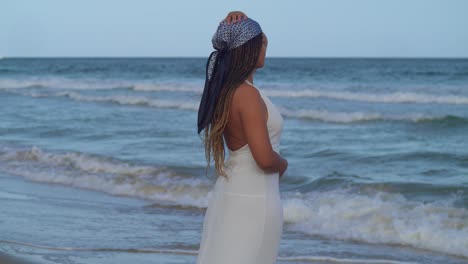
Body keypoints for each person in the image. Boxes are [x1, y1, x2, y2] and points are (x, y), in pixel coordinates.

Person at [196, 11, 288, 264]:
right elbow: (264, 159)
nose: (265, 47)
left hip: (233, 192)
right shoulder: (246, 95)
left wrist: (244, 25)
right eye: (261, 43)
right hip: (254, 199)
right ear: (249, 49)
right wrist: (283, 164)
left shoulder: (226, 90)